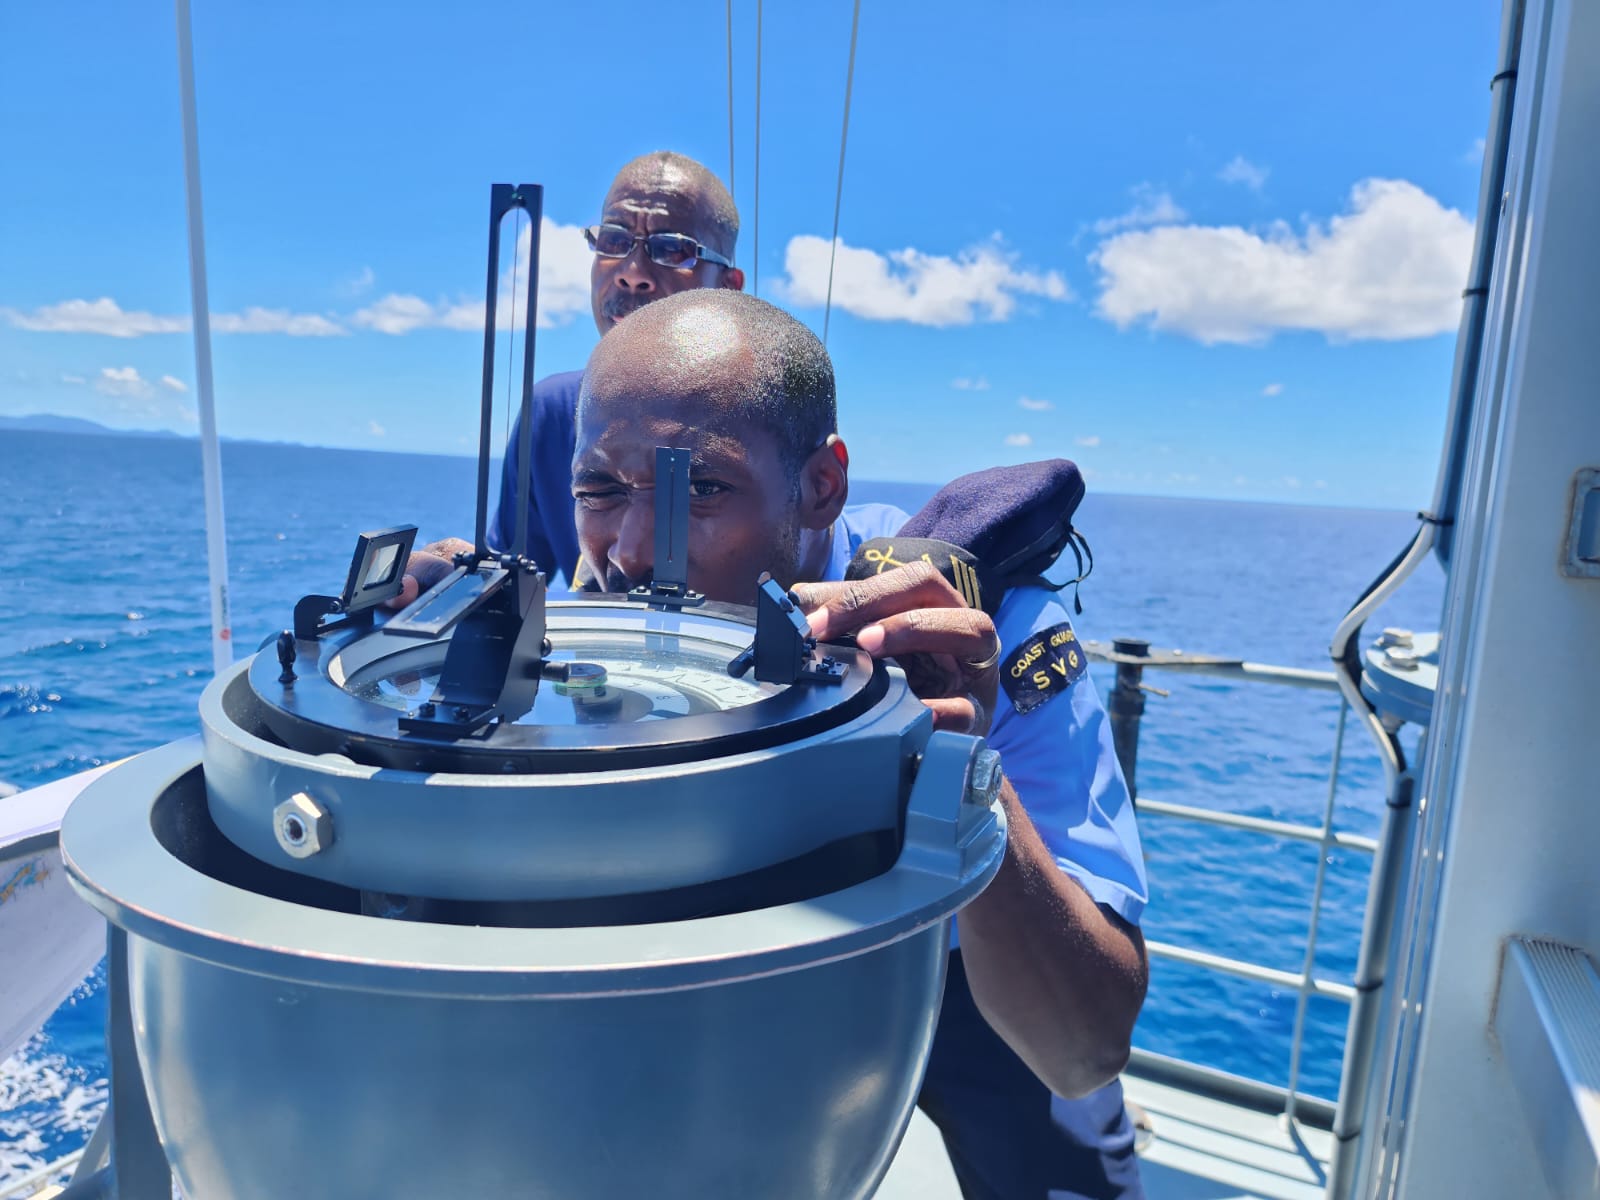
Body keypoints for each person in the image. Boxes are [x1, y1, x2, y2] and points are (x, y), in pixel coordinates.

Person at [568, 288, 1151, 1199]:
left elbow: (1084, 1048)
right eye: (600, 489)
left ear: (821, 486)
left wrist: (958, 771)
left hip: (973, 981)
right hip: (767, 977)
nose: (636, 549)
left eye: (701, 489)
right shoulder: (603, 604)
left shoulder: (986, 634)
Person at [485, 150, 744, 588]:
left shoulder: (761, 418)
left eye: (672, 249)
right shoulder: (553, 413)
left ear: (727, 289)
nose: (633, 273)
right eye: (614, 240)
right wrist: (448, 579)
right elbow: (509, 581)